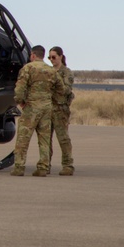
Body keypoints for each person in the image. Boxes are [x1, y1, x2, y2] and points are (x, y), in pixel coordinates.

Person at [11, 45, 65, 177]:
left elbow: (19, 89)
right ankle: (43, 167)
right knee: (44, 139)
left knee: (23, 137)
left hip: (31, 106)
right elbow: (61, 89)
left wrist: (20, 101)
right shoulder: (51, 70)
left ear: (33, 55)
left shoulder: (28, 68)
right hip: (46, 107)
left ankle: (19, 166)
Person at [48, 46, 75, 176]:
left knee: (63, 138)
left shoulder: (66, 72)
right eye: (49, 57)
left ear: (60, 57)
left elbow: (66, 90)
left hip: (60, 109)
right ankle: (45, 164)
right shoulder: (48, 71)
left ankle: (68, 165)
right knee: (45, 139)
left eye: (54, 57)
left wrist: (55, 81)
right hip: (48, 108)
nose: (51, 60)